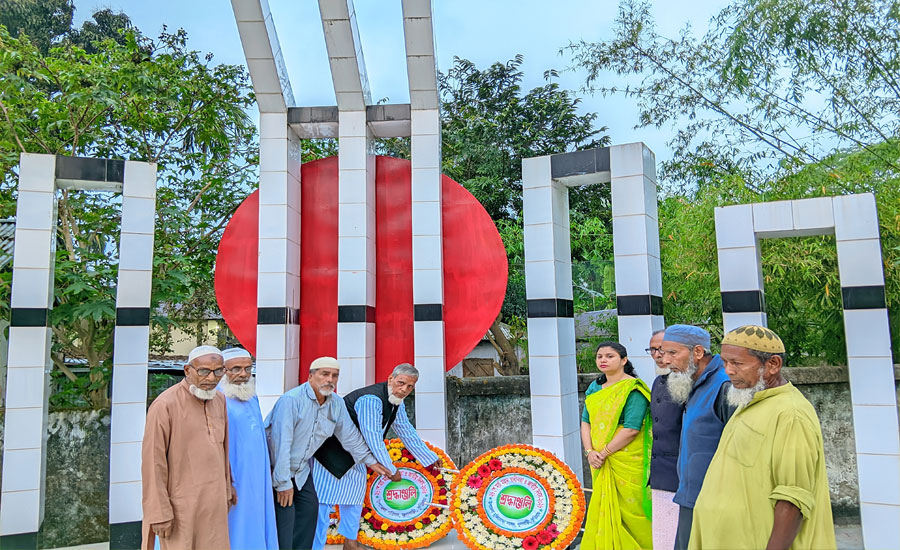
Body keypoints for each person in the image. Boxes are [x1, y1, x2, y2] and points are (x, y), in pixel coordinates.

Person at [690, 326, 836, 549]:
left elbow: (792, 498)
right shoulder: (750, 399)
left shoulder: (790, 414)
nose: (728, 371)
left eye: (737, 363)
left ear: (773, 365)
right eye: (725, 362)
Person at [265, 357, 394, 550]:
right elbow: (281, 445)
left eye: (334, 375)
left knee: (309, 514)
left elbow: (350, 436)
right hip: (277, 470)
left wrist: (371, 462)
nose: (330, 380)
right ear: (310, 376)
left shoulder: (336, 403)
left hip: (300, 471)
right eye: (324, 374)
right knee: (285, 523)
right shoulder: (291, 401)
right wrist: (283, 483)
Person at [311, 363, 440, 550]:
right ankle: (315, 546)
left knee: (353, 500)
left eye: (410, 386)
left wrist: (429, 457)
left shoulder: (396, 400)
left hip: (357, 456)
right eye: (401, 383)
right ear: (391, 379)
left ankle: (350, 543)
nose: (404, 389)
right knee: (323, 502)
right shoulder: (371, 400)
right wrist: (390, 470)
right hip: (331, 454)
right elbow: (373, 437)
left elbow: (405, 430)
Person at [141, 345, 236, 550]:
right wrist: (159, 512)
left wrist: (227, 488)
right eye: (203, 371)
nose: (211, 378)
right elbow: (152, 463)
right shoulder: (164, 405)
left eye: (218, 371)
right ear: (187, 370)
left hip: (214, 503)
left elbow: (223, 449)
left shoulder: (219, 400)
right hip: (181, 507)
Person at [661, 325, 736, 550]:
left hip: (716, 499)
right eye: (664, 352)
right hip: (692, 494)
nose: (665, 360)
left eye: (673, 353)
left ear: (698, 352)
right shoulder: (695, 383)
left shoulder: (724, 385)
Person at [580, 342, 652, 549]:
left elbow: (631, 429)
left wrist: (603, 452)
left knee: (633, 511)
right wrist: (589, 452)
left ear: (623, 360)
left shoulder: (633, 389)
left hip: (627, 461)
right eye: (600, 356)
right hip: (599, 460)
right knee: (604, 507)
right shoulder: (595, 387)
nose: (603, 360)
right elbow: (586, 421)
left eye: (610, 356)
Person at [219, 348, 278, 550]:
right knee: (236, 522)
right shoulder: (216, 399)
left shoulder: (251, 396)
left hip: (257, 476)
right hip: (234, 477)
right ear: (222, 371)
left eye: (247, 368)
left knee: (256, 517)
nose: (243, 374)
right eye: (236, 368)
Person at [647, 328, 683, 550]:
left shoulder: (689, 383)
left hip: (683, 472)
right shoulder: (658, 382)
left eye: (662, 348)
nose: (658, 354)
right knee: (662, 535)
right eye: (653, 349)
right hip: (661, 471)